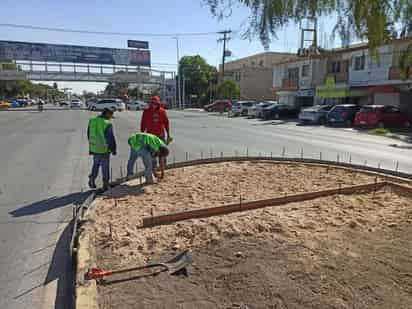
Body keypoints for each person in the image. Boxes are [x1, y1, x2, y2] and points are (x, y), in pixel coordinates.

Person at [140, 95, 172, 173]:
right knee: (152, 155)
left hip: (160, 136)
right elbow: (143, 123)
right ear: (151, 103)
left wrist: (168, 134)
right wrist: (142, 133)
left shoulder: (162, 111)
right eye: (153, 103)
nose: (154, 105)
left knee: (162, 154)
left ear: (158, 103)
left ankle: (163, 170)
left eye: (156, 103)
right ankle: (154, 171)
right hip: (150, 137)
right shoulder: (146, 111)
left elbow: (166, 123)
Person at [87, 108, 117, 190]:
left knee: (96, 164)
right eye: (111, 115)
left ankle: (92, 178)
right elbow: (110, 138)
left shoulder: (92, 121)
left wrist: (91, 145)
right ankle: (105, 184)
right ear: (107, 114)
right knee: (105, 167)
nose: (111, 117)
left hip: (94, 148)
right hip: (103, 149)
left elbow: (89, 134)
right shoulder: (107, 123)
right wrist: (113, 149)